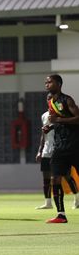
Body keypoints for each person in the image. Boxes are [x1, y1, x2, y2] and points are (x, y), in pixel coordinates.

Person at [43, 74, 79, 223]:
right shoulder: (50, 101)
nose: (47, 84)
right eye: (46, 82)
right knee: (55, 178)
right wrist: (49, 127)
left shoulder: (67, 100)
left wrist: (58, 120)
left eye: (49, 82)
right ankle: (61, 215)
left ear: (58, 84)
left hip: (75, 145)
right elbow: (57, 121)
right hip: (60, 146)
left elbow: (78, 118)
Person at [35, 96, 79, 210]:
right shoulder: (44, 116)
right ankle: (48, 202)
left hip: (60, 149)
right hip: (47, 150)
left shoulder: (63, 113)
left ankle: (77, 198)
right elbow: (43, 134)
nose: (49, 100)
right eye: (48, 98)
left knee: (67, 176)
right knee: (46, 177)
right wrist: (40, 150)